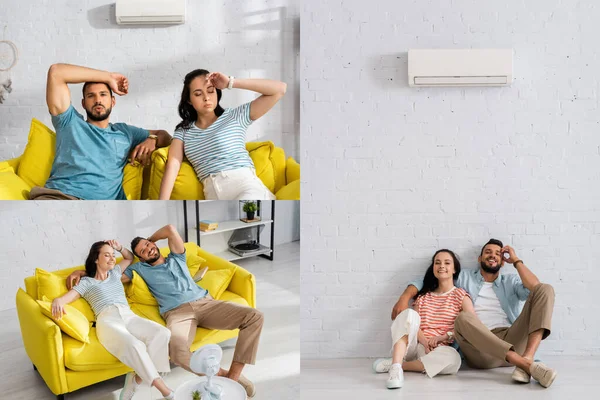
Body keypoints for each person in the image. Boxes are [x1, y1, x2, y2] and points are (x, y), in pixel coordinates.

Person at [67, 225, 264, 398]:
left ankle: (234, 377)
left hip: (206, 303)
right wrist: (83, 272)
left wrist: (150, 241)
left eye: (148, 245)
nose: (148, 249)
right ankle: (225, 376)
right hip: (178, 314)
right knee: (177, 353)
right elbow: (106, 276)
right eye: (143, 251)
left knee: (254, 316)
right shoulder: (139, 269)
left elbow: (170, 229)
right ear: (140, 257)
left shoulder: (177, 256)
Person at [392, 239, 557, 388]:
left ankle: (526, 359)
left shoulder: (511, 282)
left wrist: (516, 261)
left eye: (498, 253)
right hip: (479, 347)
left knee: (545, 289)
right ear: (479, 258)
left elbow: (536, 288)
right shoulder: (464, 277)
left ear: (503, 261)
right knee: (463, 318)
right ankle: (526, 365)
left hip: (510, 338)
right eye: (487, 252)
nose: (492, 256)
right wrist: (405, 297)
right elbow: (428, 279)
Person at [52, 240, 174, 400]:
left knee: (162, 333)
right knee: (135, 344)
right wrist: (57, 301)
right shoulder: (87, 282)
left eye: (113, 255)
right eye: (106, 255)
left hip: (128, 316)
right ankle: (166, 391)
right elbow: (65, 298)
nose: (112, 258)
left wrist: (119, 247)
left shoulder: (115, 273)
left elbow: (129, 258)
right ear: (96, 259)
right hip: (107, 320)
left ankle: (135, 379)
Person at [30, 63, 172, 200]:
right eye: (91, 96)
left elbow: (165, 136)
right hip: (60, 196)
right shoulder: (69, 122)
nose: (98, 100)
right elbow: (56, 72)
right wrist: (108, 77)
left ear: (113, 101)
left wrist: (152, 139)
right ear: (83, 103)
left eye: (103, 94)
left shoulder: (125, 132)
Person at [158, 70, 286, 200]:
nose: (206, 97)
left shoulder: (234, 116)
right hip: (213, 193)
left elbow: (280, 89)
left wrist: (231, 82)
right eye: (198, 94)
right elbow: (172, 166)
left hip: (245, 186)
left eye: (210, 90)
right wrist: (162, 203)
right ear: (189, 100)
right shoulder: (183, 131)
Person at [373, 249, 473, 389]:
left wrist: (442, 337)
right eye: (437, 263)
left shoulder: (461, 296)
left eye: (447, 263)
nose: (441, 266)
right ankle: (396, 371)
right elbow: (415, 324)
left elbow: (471, 327)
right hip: (416, 345)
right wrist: (425, 341)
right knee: (409, 314)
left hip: (441, 349)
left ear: (454, 269)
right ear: (433, 268)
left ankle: (398, 364)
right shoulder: (423, 296)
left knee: (454, 360)